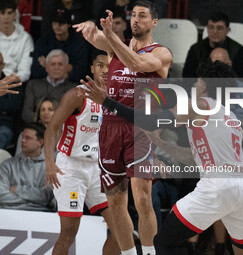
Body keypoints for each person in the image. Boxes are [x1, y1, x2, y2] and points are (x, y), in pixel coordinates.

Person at [82, 60, 243, 255]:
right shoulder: (231, 116)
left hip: (218, 186)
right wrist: (162, 144)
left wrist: (107, 102)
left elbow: (151, 120)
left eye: (198, 81)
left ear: (206, 86)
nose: (194, 85)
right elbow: (195, 158)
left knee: (161, 243)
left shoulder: (199, 105)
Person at [73, 1, 172, 254]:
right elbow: (95, 36)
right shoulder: (114, 45)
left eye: (142, 16)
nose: (136, 19)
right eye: (133, 15)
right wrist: (89, 28)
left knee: (142, 197)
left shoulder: (161, 54)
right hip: (110, 127)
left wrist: (112, 39)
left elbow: (137, 64)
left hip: (140, 128)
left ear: (154, 22)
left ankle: (149, 252)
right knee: (115, 201)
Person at [44, 49, 120, 255]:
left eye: (109, 66)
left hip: (98, 168)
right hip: (71, 167)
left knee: (121, 230)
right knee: (69, 233)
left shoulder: (116, 99)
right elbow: (51, 128)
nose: (105, 70)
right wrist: (50, 163)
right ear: (92, 68)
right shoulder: (77, 94)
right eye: (100, 65)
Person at [0, 122, 56, 212]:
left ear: (40, 142)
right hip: (10, 213)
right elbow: (1, 196)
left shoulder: (51, 168)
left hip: (41, 216)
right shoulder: (6, 165)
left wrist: (18, 189)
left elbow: (46, 197)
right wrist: (34, 201)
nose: (23, 140)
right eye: (22, 137)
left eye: (28, 138)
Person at [31, 8, 89, 83]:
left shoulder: (79, 42)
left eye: (62, 23)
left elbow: (81, 72)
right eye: (55, 22)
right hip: (46, 83)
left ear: (68, 24)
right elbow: (35, 71)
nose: (58, 26)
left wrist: (48, 65)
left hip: (70, 83)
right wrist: (66, 67)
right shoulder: (43, 41)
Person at [183, 11, 243, 78]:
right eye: (211, 27)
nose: (214, 31)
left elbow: (241, 78)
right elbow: (187, 77)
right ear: (207, 29)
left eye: (219, 28)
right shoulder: (196, 49)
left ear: (228, 30)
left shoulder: (237, 50)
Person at [22, 49, 76, 124]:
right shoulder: (33, 85)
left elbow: (74, 115)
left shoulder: (74, 89)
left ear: (67, 68)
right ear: (46, 67)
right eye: (53, 64)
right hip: (36, 129)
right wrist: (43, 123)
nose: (56, 67)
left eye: (60, 64)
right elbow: (26, 113)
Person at [209, 47, 243, 121]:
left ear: (229, 64)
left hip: (233, 129)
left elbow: (242, 117)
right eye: (213, 64)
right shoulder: (199, 87)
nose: (216, 68)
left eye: (220, 64)